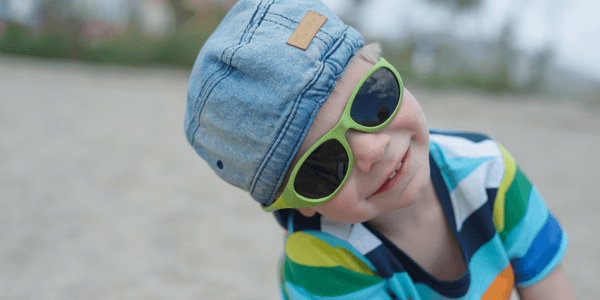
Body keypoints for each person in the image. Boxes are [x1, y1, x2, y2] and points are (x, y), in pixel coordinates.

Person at [184, 0, 577, 299]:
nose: (371, 151)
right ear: (295, 203)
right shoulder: (322, 258)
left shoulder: (488, 172)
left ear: (384, 65)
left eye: (375, 100)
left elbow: (549, 286)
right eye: (325, 165)